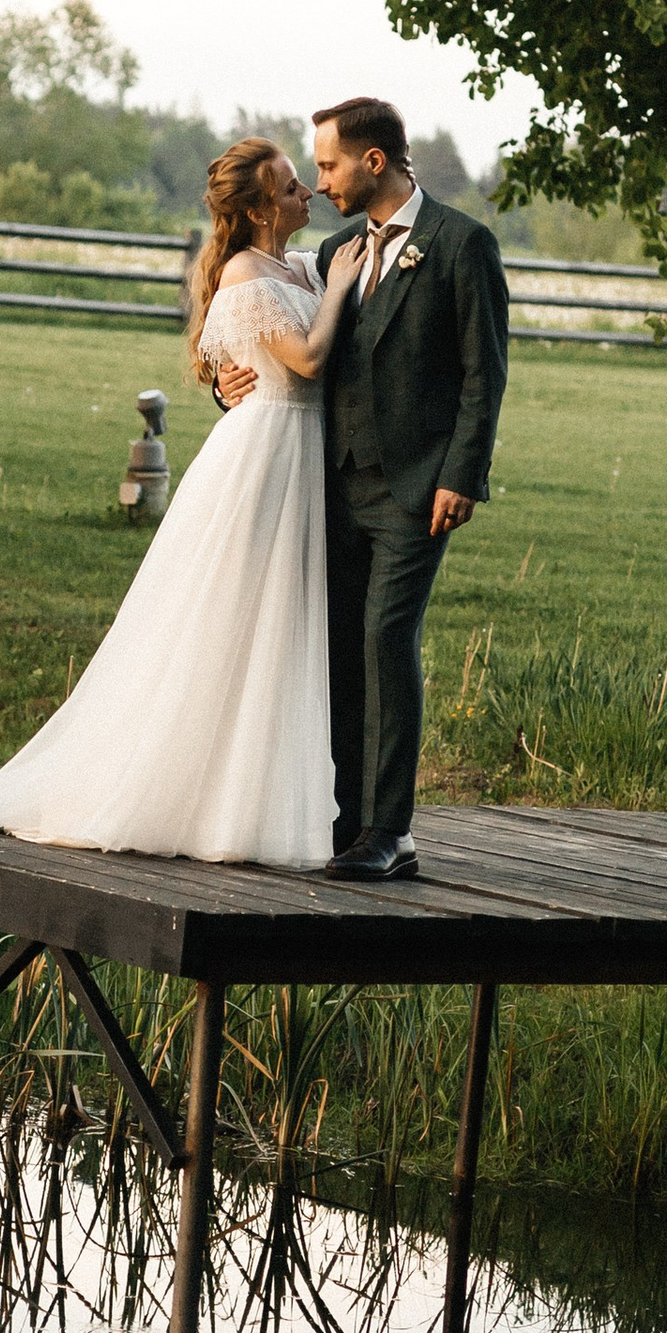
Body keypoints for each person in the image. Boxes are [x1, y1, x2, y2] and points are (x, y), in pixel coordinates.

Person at [0, 134, 362, 870]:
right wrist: (339, 290)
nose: (306, 194)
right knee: (232, 620)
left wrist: (328, 281)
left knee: (279, 627)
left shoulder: (297, 262)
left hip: (300, 455)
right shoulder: (249, 273)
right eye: (290, 187)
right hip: (265, 462)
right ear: (258, 209)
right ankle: (192, 791)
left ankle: (257, 793)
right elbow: (309, 357)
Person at [216, 96, 507, 884]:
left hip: (417, 491)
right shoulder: (338, 249)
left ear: (373, 161)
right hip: (330, 488)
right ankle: (348, 824)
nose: (320, 181)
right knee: (342, 651)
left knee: (386, 639)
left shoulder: (461, 245)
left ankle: (392, 831)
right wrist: (228, 384)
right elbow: (275, 333)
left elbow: (486, 372)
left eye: (329, 165)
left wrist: (462, 474)